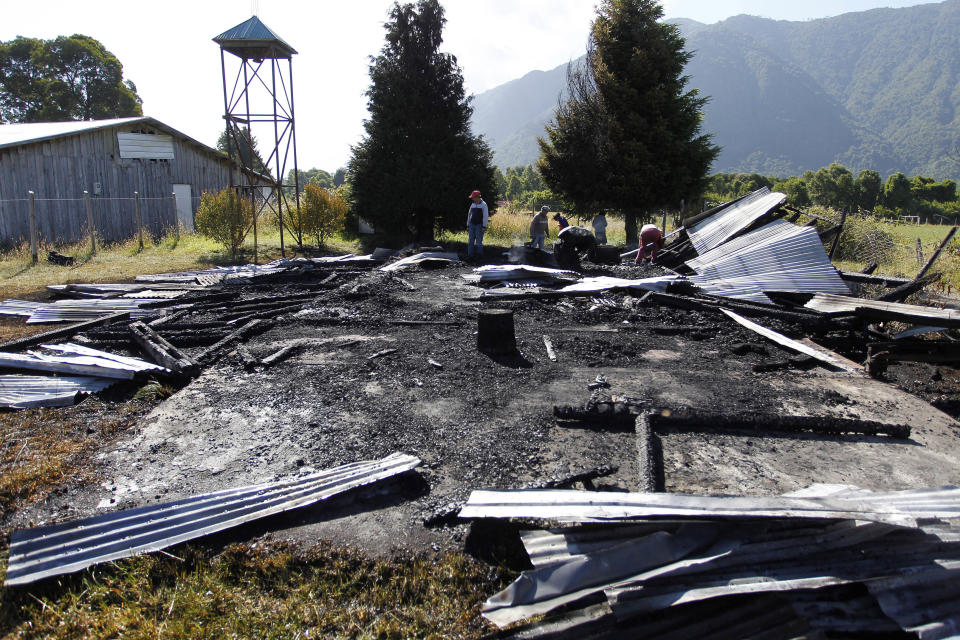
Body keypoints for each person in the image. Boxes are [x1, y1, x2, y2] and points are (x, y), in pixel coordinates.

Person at [466, 190, 488, 260]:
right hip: (472, 225)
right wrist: (468, 225)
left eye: (473, 197)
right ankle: (470, 256)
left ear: (477, 197)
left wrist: (484, 226)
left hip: (479, 226)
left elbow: (485, 216)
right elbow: (469, 215)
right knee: (470, 242)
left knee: (478, 242)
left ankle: (479, 257)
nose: (472, 199)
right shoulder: (472, 204)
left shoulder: (484, 205)